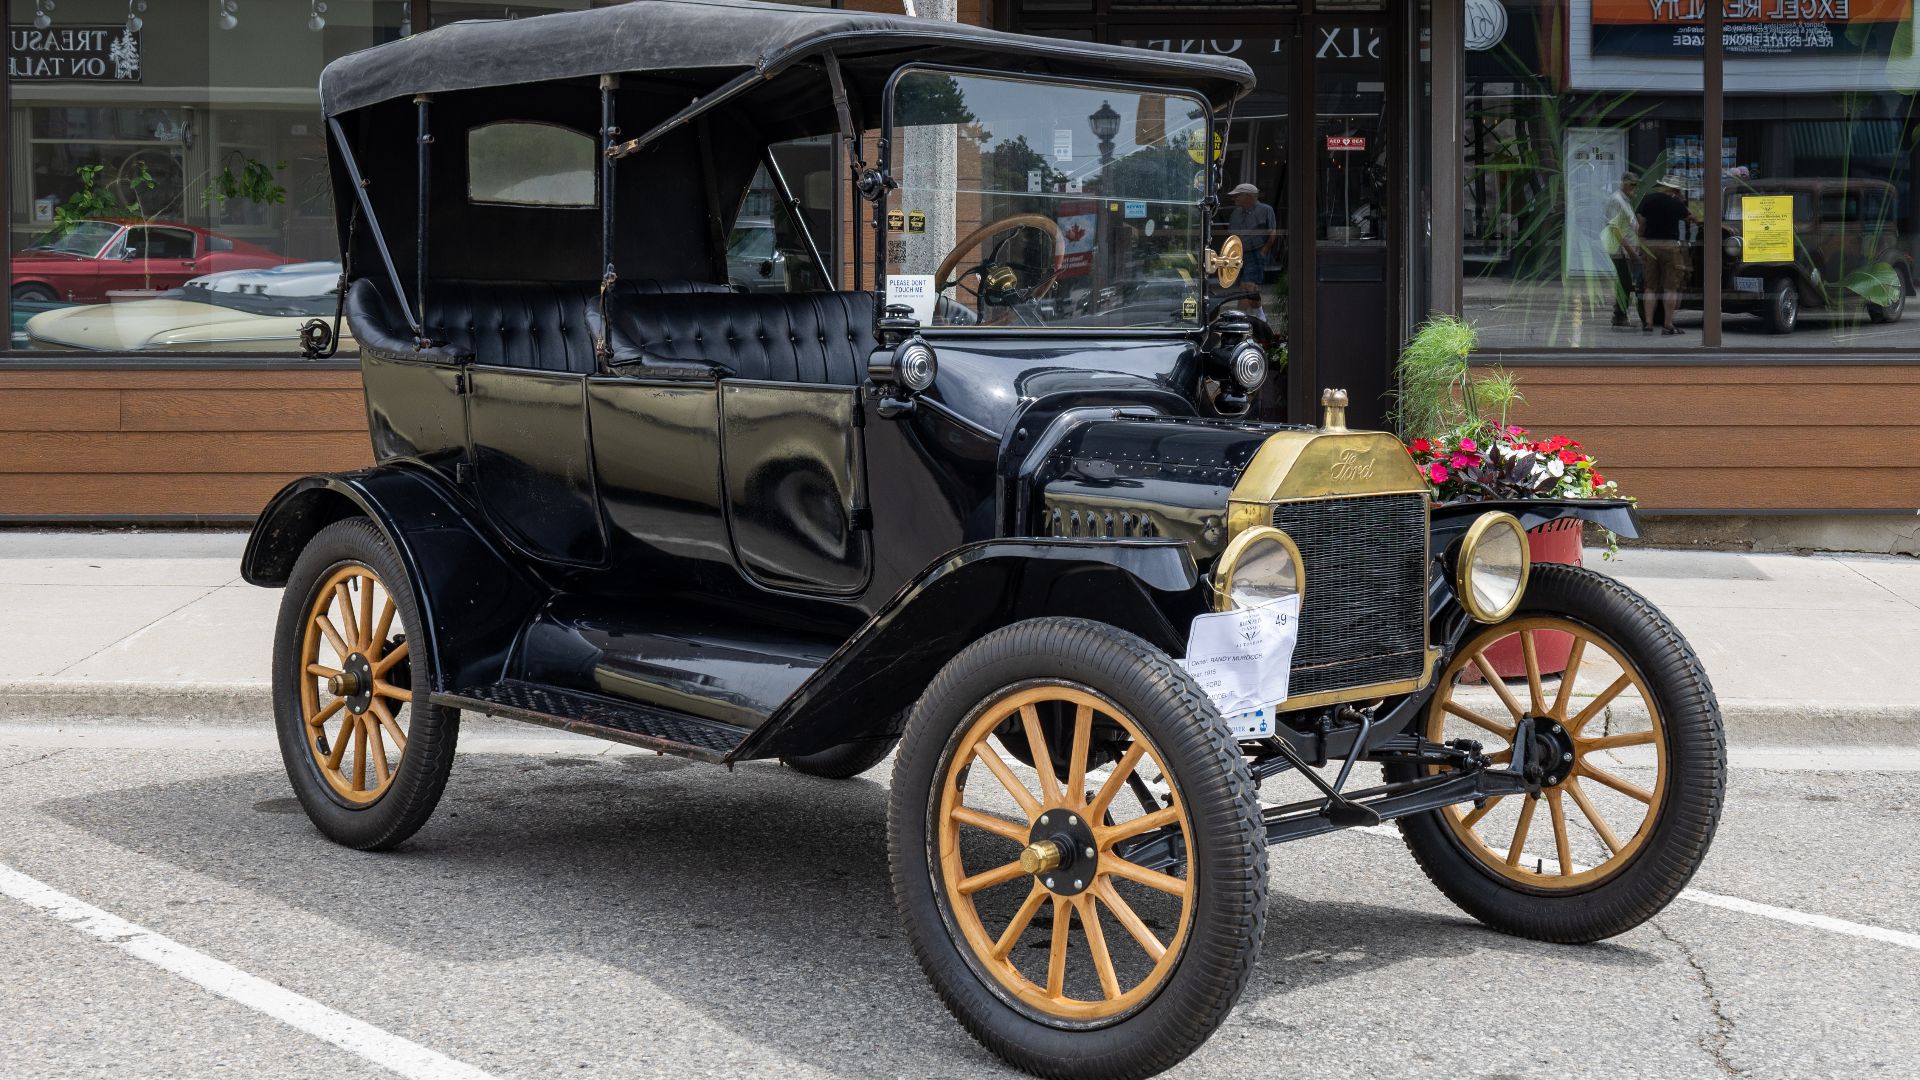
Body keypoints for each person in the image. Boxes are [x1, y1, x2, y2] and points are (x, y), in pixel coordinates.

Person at [1637, 174, 1696, 336]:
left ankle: (1648, 323)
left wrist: (1641, 243)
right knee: (1671, 287)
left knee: (1650, 287)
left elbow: (1641, 223)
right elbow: (1693, 218)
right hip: (1670, 246)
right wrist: (1681, 200)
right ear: (1676, 190)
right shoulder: (1676, 203)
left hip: (1650, 245)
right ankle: (1668, 324)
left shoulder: (1648, 199)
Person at [1226, 182, 1277, 321]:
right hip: (1239, 253)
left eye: (1237, 196)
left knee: (1246, 285)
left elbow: (1272, 232)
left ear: (1248, 196)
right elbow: (1232, 235)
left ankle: (1238, 317)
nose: (1234, 199)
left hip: (1256, 252)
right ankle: (1260, 314)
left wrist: (1264, 251)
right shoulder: (1236, 213)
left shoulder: (1266, 210)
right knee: (1251, 286)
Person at [1603, 173, 1642, 328]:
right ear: (1624, 183)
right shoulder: (1617, 200)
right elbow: (1616, 229)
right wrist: (1631, 252)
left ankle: (1620, 313)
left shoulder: (1625, 200)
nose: (1634, 188)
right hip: (1621, 251)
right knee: (1624, 283)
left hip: (1628, 250)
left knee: (1625, 283)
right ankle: (1619, 315)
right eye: (1632, 184)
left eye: (1635, 184)